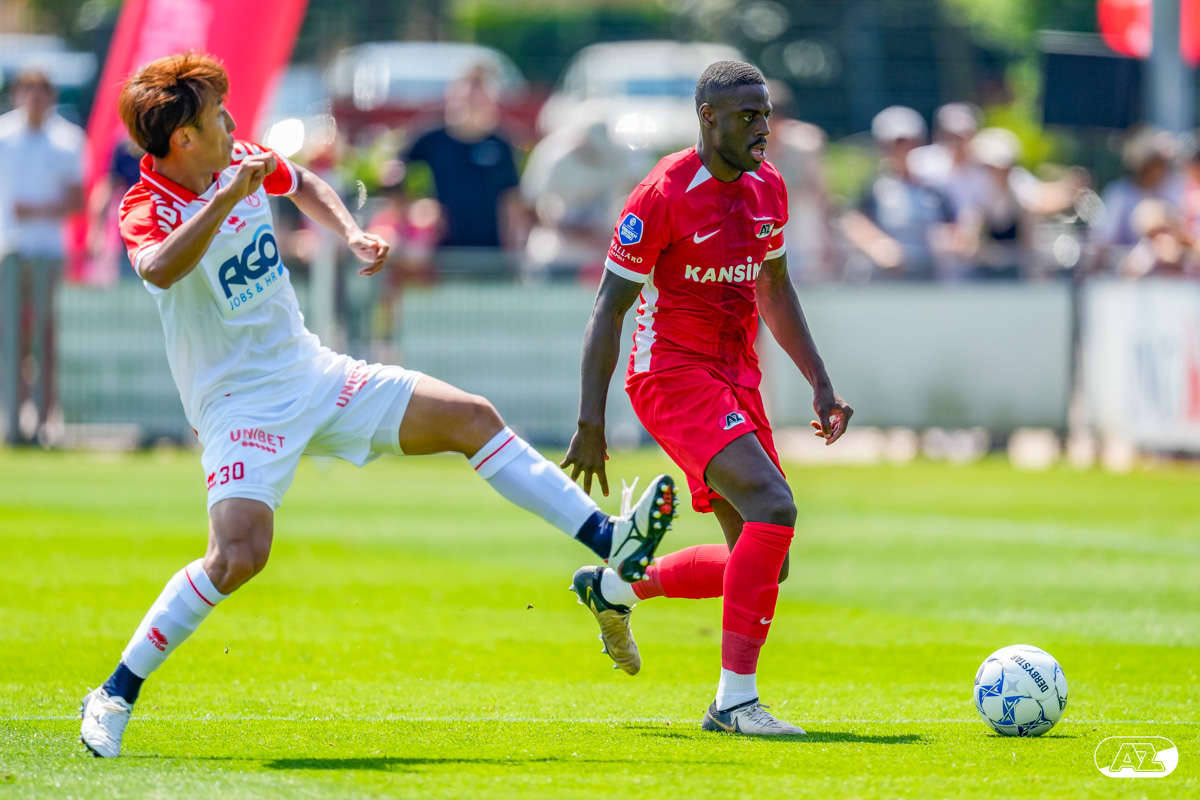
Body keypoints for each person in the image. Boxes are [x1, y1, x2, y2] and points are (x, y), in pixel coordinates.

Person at [78, 52, 678, 759]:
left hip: (312, 372)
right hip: (240, 406)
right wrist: (227, 196)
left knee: (470, 417)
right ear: (184, 139)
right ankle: (114, 692)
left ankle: (609, 540)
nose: (234, 125)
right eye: (219, 117)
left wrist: (350, 232)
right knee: (238, 557)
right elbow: (157, 267)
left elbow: (301, 181)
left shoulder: (235, 159)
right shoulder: (148, 205)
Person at [560, 61, 853, 737]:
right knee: (774, 506)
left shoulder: (769, 186)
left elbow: (773, 288)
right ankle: (734, 703)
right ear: (708, 118)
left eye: (766, 114)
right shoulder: (661, 194)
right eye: (747, 116)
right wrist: (589, 421)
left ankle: (613, 588)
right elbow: (608, 309)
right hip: (671, 373)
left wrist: (819, 379)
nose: (762, 128)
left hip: (735, 375)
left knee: (767, 561)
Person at [0, 69, 84, 444]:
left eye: (41, 91)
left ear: (51, 97)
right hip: (8, 249)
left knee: (44, 339)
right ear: (18, 95)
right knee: (9, 339)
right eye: (28, 91)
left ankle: (44, 423)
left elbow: (77, 199)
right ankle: (13, 423)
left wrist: (34, 210)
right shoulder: (3, 135)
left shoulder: (68, 140)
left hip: (48, 250)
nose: (34, 99)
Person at [402, 64, 523, 275]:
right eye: (468, 100)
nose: (473, 107)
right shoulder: (429, 139)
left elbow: (510, 201)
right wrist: (416, 209)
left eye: (480, 101)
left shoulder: (501, 144)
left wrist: (513, 252)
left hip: (489, 255)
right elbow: (393, 180)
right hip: (436, 255)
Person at [840, 106, 955, 281]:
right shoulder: (876, 189)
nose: (904, 150)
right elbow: (854, 221)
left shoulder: (934, 190)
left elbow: (950, 227)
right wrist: (878, 246)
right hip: (887, 280)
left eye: (910, 143)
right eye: (897, 145)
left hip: (928, 278)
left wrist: (946, 240)